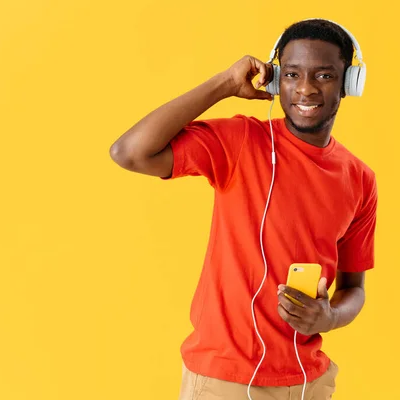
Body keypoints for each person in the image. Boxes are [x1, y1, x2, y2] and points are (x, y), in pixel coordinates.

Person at [110, 18, 377, 400]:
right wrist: (225, 84)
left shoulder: (360, 178)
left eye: (324, 75)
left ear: (349, 84)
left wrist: (330, 317)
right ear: (274, 80)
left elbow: (354, 289)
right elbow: (129, 153)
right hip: (225, 382)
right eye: (291, 74)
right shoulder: (240, 142)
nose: (305, 88)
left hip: (308, 382)